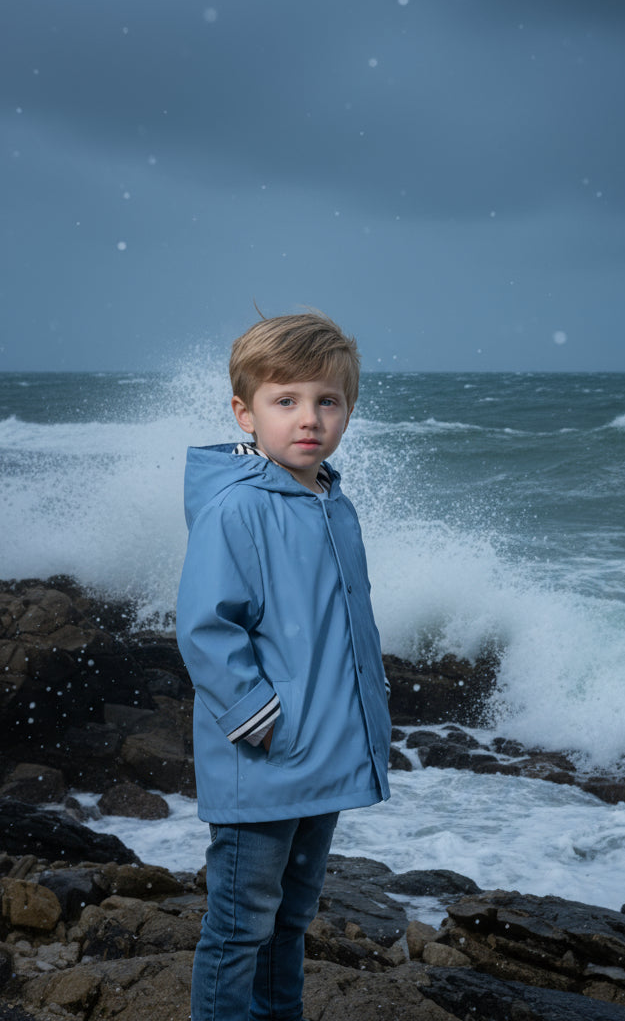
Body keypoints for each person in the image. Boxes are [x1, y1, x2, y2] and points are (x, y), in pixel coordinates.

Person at [176, 310, 391, 1021]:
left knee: (291, 920)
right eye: (286, 400)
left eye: (328, 401)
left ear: (349, 409)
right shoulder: (237, 509)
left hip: (321, 754)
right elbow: (207, 628)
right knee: (240, 926)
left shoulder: (334, 503)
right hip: (266, 755)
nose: (310, 419)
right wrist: (258, 716)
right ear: (245, 412)